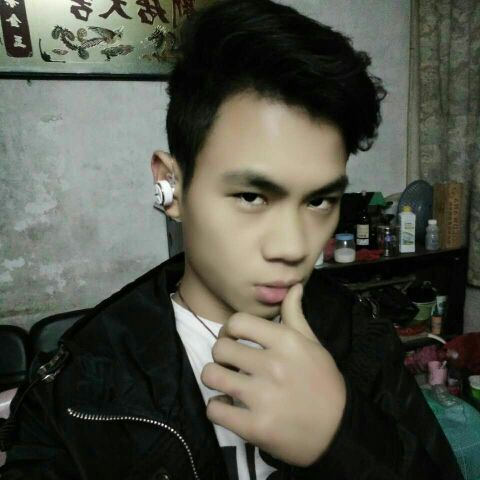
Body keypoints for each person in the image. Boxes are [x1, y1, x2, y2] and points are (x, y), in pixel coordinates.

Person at [0, 1, 463, 479]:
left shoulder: (359, 337)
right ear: (171, 186)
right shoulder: (80, 383)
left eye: (319, 201)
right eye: (251, 196)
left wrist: (344, 438)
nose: (292, 247)